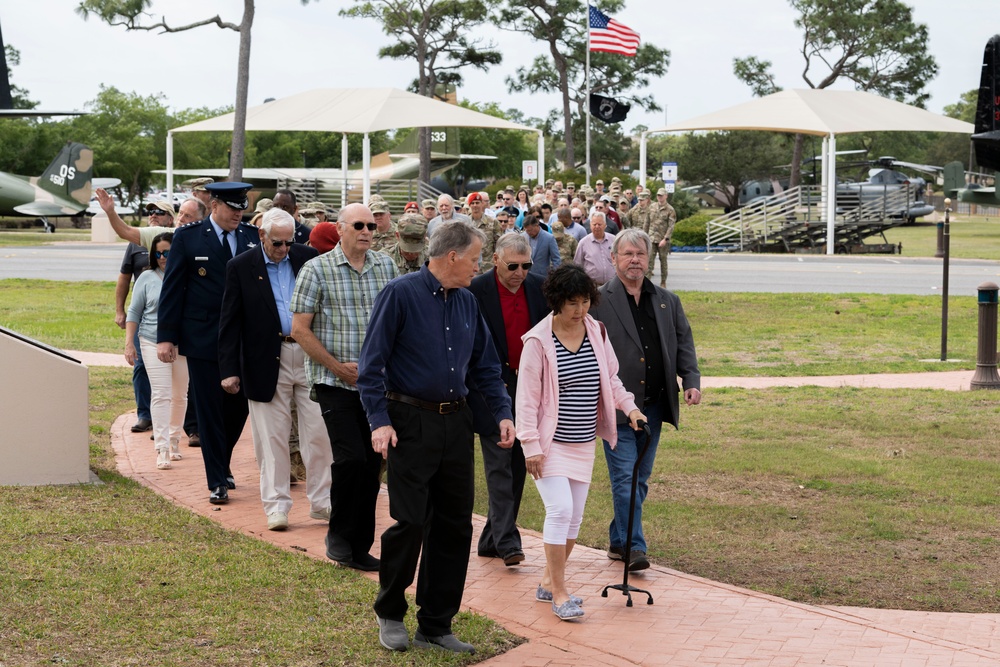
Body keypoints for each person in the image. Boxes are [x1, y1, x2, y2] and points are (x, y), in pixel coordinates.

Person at [357, 222, 514, 654]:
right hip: (409, 422)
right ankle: (389, 611)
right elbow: (371, 366)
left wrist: (502, 412)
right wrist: (379, 421)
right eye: (476, 258)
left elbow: (485, 367)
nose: (479, 266)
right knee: (408, 521)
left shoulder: (467, 302)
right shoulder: (400, 294)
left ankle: (436, 623)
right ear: (452, 257)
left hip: (456, 423)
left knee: (454, 524)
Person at [516, 263, 644, 621]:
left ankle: (546, 582)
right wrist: (530, 446)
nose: (580, 310)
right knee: (559, 511)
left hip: (583, 442)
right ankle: (559, 593)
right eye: (573, 303)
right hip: (549, 444)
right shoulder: (538, 341)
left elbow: (613, 379)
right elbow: (526, 399)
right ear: (557, 301)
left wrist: (630, 409)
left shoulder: (596, 331)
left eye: (586, 301)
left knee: (574, 520)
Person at [291, 203, 398, 571]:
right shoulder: (315, 270)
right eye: (359, 225)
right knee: (351, 457)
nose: (368, 231)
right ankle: (338, 539)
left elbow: (399, 320)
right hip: (333, 382)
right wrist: (337, 367)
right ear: (340, 229)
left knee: (371, 464)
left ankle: (358, 545)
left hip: (377, 385)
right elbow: (299, 330)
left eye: (371, 225)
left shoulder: (386, 266)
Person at [590, 228, 701, 572]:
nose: (635, 260)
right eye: (628, 254)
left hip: (653, 406)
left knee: (639, 480)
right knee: (625, 478)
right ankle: (634, 547)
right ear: (614, 258)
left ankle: (617, 538)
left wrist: (691, 380)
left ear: (649, 258)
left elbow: (683, 342)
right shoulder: (596, 300)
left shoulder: (667, 300)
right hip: (617, 408)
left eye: (640, 254)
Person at [218, 209, 333, 531]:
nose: (285, 249)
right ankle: (276, 506)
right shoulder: (240, 267)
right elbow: (230, 321)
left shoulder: (308, 257)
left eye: (289, 242)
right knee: (272, 439)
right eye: (278, 243)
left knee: (319, 433)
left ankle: (323, 502)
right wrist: (229, 369)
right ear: (261, 237)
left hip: (309, 355)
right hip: (263, 359)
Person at [157, 182, 257, 505]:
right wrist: (166, 337)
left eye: (242, 209)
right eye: (232, 208)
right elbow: (172, 290)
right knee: (209, 410)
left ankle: (222, 462)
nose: (238, 214)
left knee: (238, 407)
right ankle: (217, 480)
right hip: (203, 339)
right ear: (214, 206)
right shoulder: (188, 237)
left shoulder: (250, 238)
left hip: (242, 340)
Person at [468, 234, 548, 567]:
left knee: (518, 467)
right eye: (512, 265)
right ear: (495, 260)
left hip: (528, 390)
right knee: (500, 462)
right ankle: (507, 540)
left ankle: (490, 539)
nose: (519, 272)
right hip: (489, 388)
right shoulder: (475, 291)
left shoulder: (540, 290)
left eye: (526, 265)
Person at [125, 231, 189, 470]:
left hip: (182, 343)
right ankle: (161, 447)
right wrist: (129, 343)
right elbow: (134, 312)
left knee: (180, 394)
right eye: (158, 253)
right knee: (161, 393)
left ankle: (174, 439)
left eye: (168, 253)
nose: (163, 258)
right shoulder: (146, 277)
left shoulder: (187, 276)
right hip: (151, 340)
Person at [114, 200, 176, 434]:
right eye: (150, 212)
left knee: (177, 382)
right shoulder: (135, 245)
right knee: (140, 366)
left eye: (159, 212)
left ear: (170, 219)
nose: (152, 215)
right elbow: (124, 278)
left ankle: (176, 423)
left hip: (173, 322)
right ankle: (144, 414)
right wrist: (120, 310)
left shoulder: (177, 241)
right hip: (145, 319)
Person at [573, 212, 615, 285]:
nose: (597, 227)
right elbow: (577, 265)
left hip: (612, 284)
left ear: (605, 225)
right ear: (590, 226)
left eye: (599, 224)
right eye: (594, 224)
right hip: (592, 285)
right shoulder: (583, 243)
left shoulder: (614, 240)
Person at [650, 188, 678, 287]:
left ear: (666, 196)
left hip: (662, 239)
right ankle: (647, 282)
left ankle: (663, 282)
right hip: (651, 238)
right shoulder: (652, 207)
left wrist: (666, 239)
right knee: (649, 261)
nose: (659, 197)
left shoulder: (670, 210)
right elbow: (647, 222)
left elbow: (671, 226)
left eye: (661, 195)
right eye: (658, 195)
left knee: (663, 261)